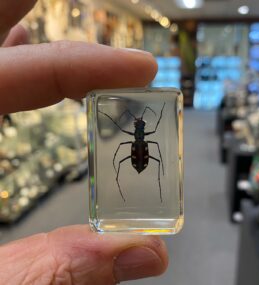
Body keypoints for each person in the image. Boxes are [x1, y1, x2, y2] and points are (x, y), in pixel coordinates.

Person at [0, 1, 168, 284]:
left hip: (140, 154)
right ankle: (128, 183)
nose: (138, 126)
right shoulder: (141, 139)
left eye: (139, 125)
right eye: (139, 125)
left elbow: (122, 127)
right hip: (142, 154)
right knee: (132, 159)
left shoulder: (136, 139)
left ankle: (133, 183)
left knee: (130, 159)